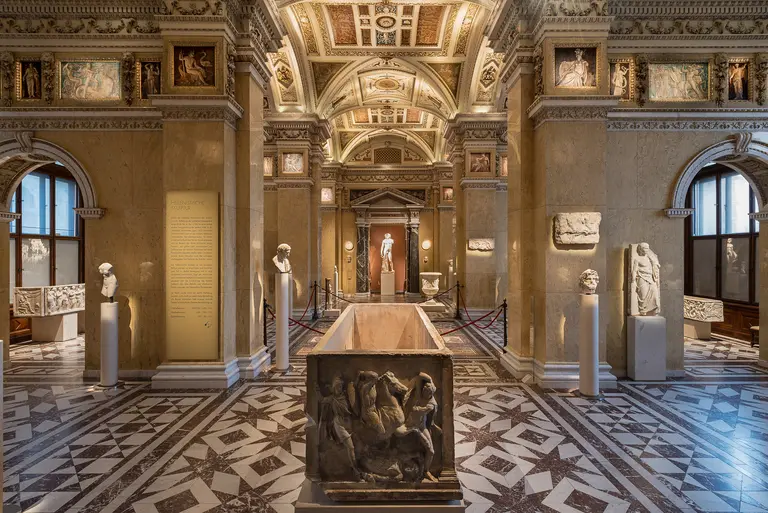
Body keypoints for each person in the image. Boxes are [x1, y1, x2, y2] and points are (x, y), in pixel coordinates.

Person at [318, 376, 361, 480]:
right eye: (337, 386)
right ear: (333, 388)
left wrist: (358, 379)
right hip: (339, 425)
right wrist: (316, 390)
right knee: (350, 447)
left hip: (349, 424)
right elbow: (321, 400)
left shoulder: (346, 397)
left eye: (341, 386)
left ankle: (356, 466)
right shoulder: (331, 399)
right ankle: (355, 470)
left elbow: (354, 397)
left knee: (357, 445)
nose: (339, 388)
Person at [631, 243, 660, 315]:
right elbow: (634, 270)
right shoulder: (637, 259)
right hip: (642, 278)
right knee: (643, 296)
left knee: (655, 295)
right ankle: (643, 310)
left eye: (647, 248)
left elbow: (655, 266)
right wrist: (633, 280)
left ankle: (652, 310)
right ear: (640, 249)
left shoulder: (650, 259)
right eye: (645, 248)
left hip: (650, 278)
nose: (647, 250)